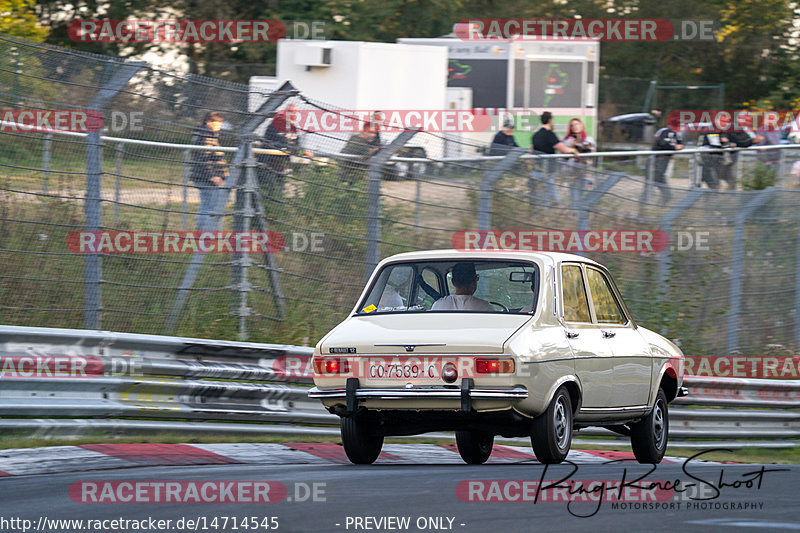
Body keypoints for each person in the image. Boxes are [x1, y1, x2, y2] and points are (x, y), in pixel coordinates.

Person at [256, 103, 313, 201]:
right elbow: (279, 143)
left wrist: (303, 151)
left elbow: (295, 145)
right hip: (267, 165)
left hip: (281, 167)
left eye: (295, 113)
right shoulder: (275, 125)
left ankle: (273, 213)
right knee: (265, 192)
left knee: (279, 194)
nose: (292, 115)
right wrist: (296, 149)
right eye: (290, 112)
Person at [700, 113, 761, 190]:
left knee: (732, 182)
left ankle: (728, 200)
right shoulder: (711, 129)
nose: (724, 123)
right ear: (716, 120)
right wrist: (728, 144)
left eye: (726, 122)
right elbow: (716, 145)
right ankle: (710, 201)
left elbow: (736, 143)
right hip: (707, 163)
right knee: (714, 185)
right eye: (722, 121)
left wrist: (751, 141)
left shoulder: (724, 130)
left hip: (720, 162)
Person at [530, 111, 580, 205]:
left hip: (536, 169)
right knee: (553, 197)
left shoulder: (535, 135)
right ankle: (548, 214)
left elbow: (531, 150)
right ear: (550, 120)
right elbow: (563, 149)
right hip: (547, 171)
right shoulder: (549, 135)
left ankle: (539, 214)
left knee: (540, 196)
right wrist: (573, 150)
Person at [190, 111, 228, 231]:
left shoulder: (210, 136)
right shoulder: (205, 137)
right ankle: (205, 233)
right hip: (207, 179)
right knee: (208, 207)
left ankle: (209, 233)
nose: (219, 126)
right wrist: (213, 176)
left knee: (211, 206)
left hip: (209, 178)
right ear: (209, 122)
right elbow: (203, 158)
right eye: (217, 123)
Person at [647, 115, 684, 202]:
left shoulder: (676, 134)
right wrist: (674, 147)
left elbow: (681, 144)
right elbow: (663, 143)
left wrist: (679, 146)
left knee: (658, 177)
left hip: (665, 158)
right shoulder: (664, 131)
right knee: (655, 177)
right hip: (657, 158)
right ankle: (665, 196)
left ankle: (665, 197)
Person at [561, 117, 596, 202]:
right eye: (572, 125)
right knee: (574, 197)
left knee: (584, 197)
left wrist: (575, 147)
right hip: (572, 174)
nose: (575, 127)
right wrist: (571, 146)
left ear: (581, 125)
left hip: (585, 173)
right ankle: (575, 214)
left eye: (577, 124)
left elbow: (589, 151)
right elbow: (564, 156)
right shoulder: (568, 141)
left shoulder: (588, 139)